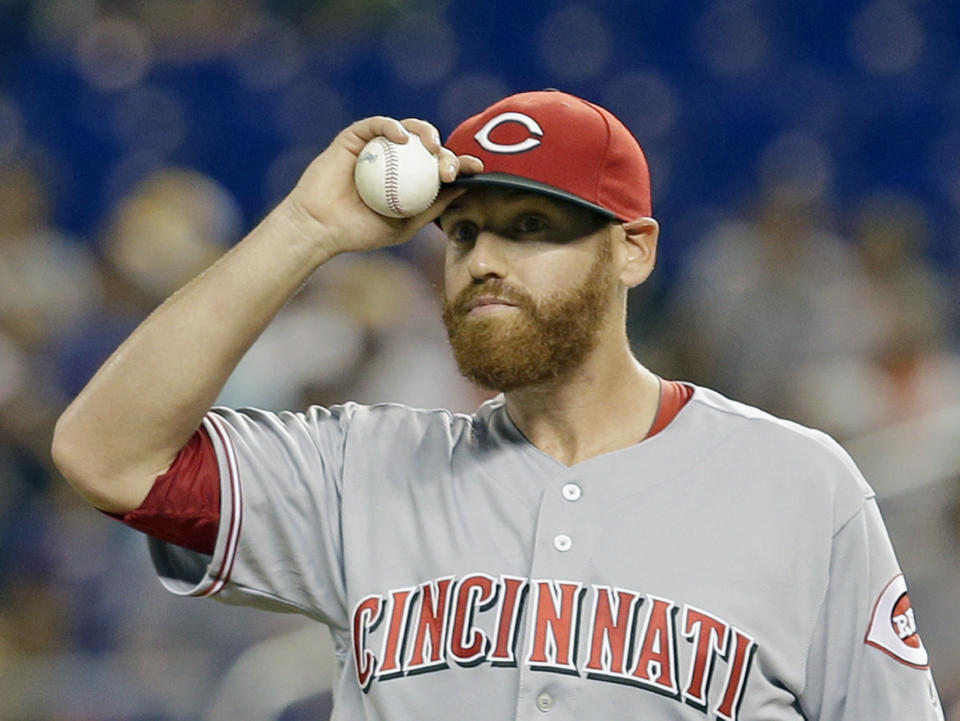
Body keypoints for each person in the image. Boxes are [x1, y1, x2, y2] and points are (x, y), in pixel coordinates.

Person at [51, 90, 945, 720]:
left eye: (532, 228)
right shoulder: (360, 469)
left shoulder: (798, 485)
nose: (484, 259)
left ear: (632, 250)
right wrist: (307, 229)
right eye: (466, 230)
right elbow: (106, 454)